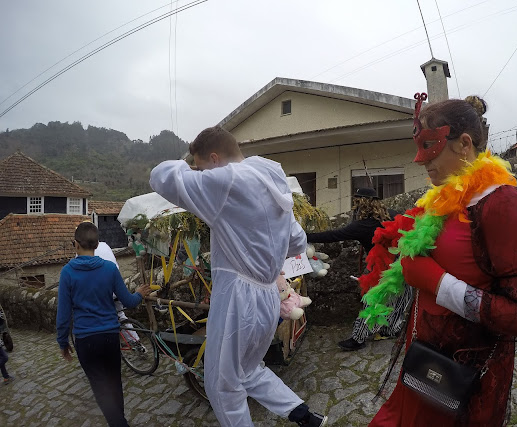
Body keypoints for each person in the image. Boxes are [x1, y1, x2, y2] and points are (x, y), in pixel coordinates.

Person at [362, 94, 517, 426]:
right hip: (425, 358)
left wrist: (437, 282)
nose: (420, 160)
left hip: (464, 372)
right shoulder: (441, 198)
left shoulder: (501, 205)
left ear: (464, 144)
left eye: (430, 146)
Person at [149, 126, 328, 427]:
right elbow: (297, 242)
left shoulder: (227, 180)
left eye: (201, 168)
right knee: (247, 370)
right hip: (267, 296)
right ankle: (303, 415)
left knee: (222, 386)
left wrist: (187, 164)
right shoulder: (273, 183)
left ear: (214, 159)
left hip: (237, 298)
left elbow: (161, 176)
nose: (200, 175)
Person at [56, 222, 151, 427]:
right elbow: (128, 302)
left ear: (76, 244)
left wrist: (63, 343)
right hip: (109, 337)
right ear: (97, 244)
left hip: (85, 340)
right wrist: (139, 294)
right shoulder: (109, 269)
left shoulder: (67, 273)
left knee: (101, 390)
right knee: (115, 384)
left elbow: (63, 315)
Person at [307, 187, 411, 351]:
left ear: (360, 204)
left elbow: (333, 235)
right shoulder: (393, 214)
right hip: (402, 263)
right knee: (400, 298)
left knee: (372, 301)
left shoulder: (362, 225)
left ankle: (358, 338)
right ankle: (391, 330)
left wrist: (304, 237)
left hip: (381, 268)